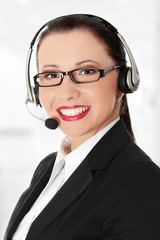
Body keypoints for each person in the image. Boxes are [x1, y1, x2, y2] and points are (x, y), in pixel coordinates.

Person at [4, 14, 160, 240]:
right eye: (51, 75)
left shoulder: (141, 182)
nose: (67, 92)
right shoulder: (49, 167)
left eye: (86, 71)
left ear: (123, 82)